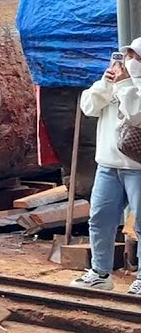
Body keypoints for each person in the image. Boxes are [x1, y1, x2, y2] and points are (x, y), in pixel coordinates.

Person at [70, 37, 141, 294]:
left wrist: (124, 85)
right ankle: (100, 272)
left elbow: (136, 114)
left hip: (138, 168)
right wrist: (105, 83)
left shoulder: (133, 86)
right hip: (108, 164)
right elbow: (88, 106)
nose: (130, 62)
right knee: (100, 219)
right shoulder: (113, 82)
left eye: (136, 57)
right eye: (127, 56)